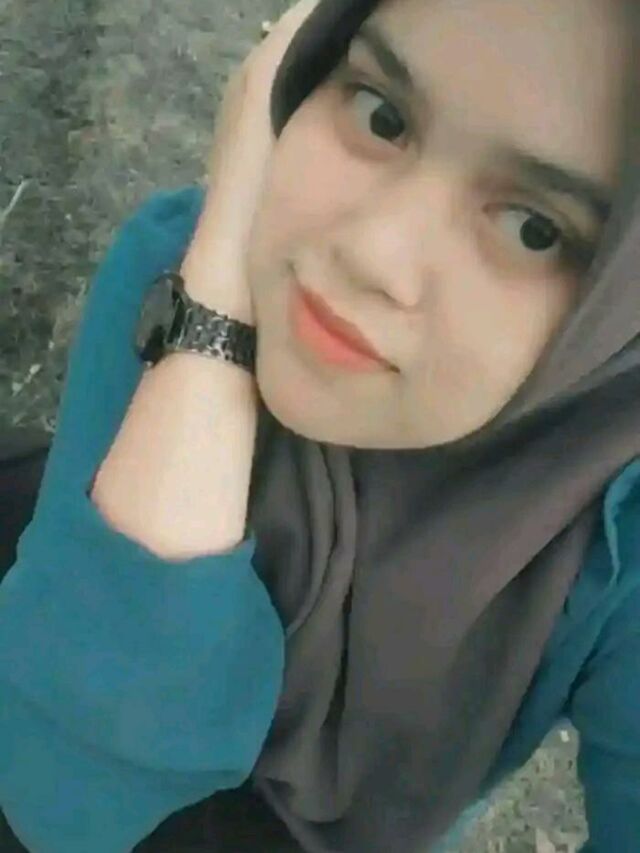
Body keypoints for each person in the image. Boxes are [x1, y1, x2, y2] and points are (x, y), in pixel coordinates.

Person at [1, 0, 640, 851]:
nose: (373, 251)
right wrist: (215, 302)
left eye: (534, 229)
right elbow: (60, 792)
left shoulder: (615, 526)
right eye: (381, 114)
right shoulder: (181, 267)